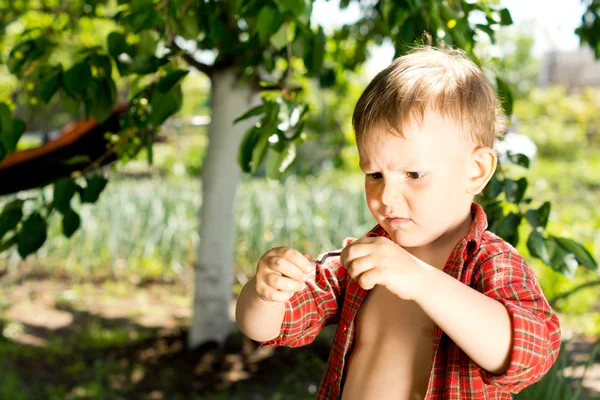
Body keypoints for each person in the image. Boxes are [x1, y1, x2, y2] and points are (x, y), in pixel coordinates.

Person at [235, 43, 561, 400]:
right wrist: (266, 293)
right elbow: (269, 328)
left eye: (414, 173)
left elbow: (530, 354)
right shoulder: (360, 262)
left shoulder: (491, 263)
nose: (386, 197)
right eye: (374, 174)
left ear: (476, 171)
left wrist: (421, 280)